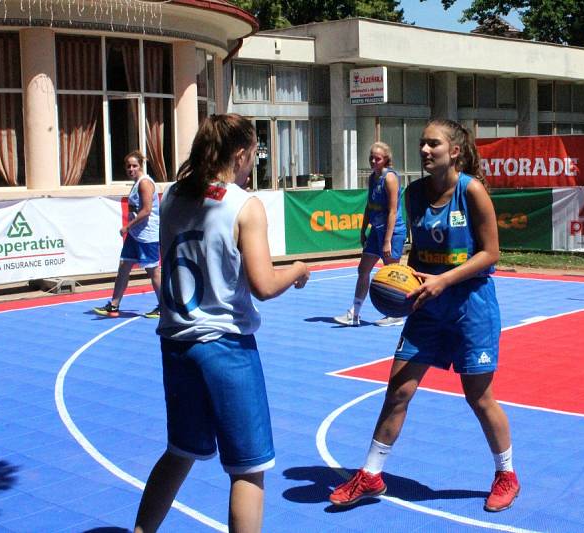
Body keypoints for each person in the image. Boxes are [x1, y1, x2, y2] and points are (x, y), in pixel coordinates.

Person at [328, 119, 519, 512]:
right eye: (422, 144)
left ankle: (507, 474)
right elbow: (420, 252)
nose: (425, 150)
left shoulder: (473, 192)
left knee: (480, 397)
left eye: (433, 143)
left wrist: (444, 280)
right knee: (397, 390)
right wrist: (404, 277)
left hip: (471, 306)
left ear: (455, 151)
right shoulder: (415, 194)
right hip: (427, 306)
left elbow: (491, 254)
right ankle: (371, 473)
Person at [134, 114, 310, 533]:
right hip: (225, 346)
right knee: (248, 469)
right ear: (241, 153)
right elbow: (264, 284)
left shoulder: (173, 195)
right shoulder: (243, 205)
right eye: (253, 155)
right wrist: (299, 268)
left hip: (176, 342)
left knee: (179, 451)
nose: (254, 162)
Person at [333, 142, 407, 327]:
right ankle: (355, 313)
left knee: (391, 273)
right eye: (371, 158)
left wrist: (388, 241)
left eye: (378, 158)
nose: (373, 161)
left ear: (386, 160)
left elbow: (392, 211)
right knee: (363, 269)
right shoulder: (372, 178)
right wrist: (363, 229)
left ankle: (395, 314)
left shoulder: (390, 179)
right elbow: (369, 205)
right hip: (376, 231)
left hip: (393, 231)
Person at [93, 151, 161, 318]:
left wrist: (127, 227)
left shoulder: (145, 183)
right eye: (128, 166)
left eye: (134, 165)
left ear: (140, 166)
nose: (131, 169)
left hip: (147, 235)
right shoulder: (136, 182)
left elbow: (146, 211)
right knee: (124, 266)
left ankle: (164, 306)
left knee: (153, 271)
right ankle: (114, 305)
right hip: (136, 235)